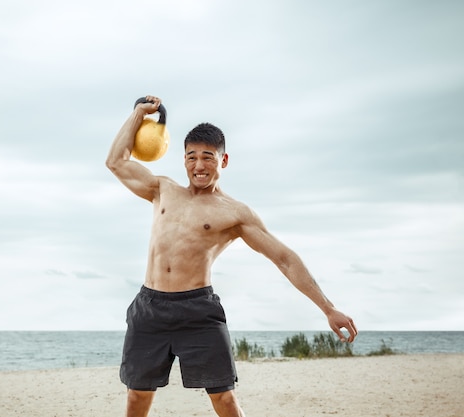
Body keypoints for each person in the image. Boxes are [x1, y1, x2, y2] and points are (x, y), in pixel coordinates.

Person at [105, 95, 357, 417]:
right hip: (150, 307)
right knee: (137, 397)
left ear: (223, 161)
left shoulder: (235, 214)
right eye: (191, 157)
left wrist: (328, 308)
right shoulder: (162, 189)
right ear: (183, 160)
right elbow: (116, 161)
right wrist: (138, 114)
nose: (199, 166)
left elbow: (284, 258)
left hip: (198, 310)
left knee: (223, 399)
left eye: (208, 157)